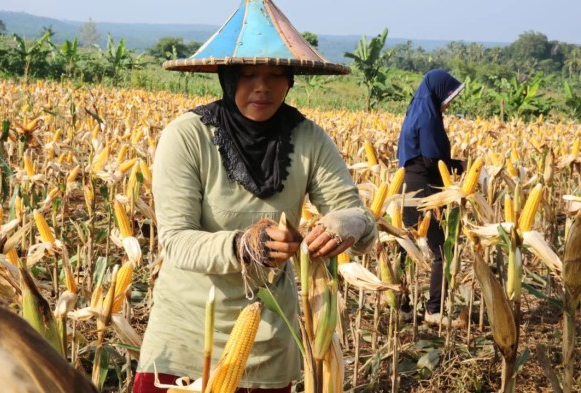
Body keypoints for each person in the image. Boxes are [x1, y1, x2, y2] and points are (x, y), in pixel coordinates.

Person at [133, 1, 377, 391]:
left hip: (268, 341)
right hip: (188, 338)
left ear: (291, 80)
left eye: (276, 75)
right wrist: (244, 245)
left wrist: (348, 222)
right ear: (227, 79)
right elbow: (176, 242)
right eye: (248, 75)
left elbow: (357, 220)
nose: (262, 87)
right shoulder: (187, 137)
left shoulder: (309, 138)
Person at [396, 69, 465, 327]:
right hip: (424, 187)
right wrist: (459, 165)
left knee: (404, 247)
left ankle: (401, 307)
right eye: (449, 97)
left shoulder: (416, 110)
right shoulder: (428, 117)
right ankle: (434, 310)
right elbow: (431, 160)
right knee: (442, 251)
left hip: (408, 184)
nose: (449, 104)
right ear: (439, 92)